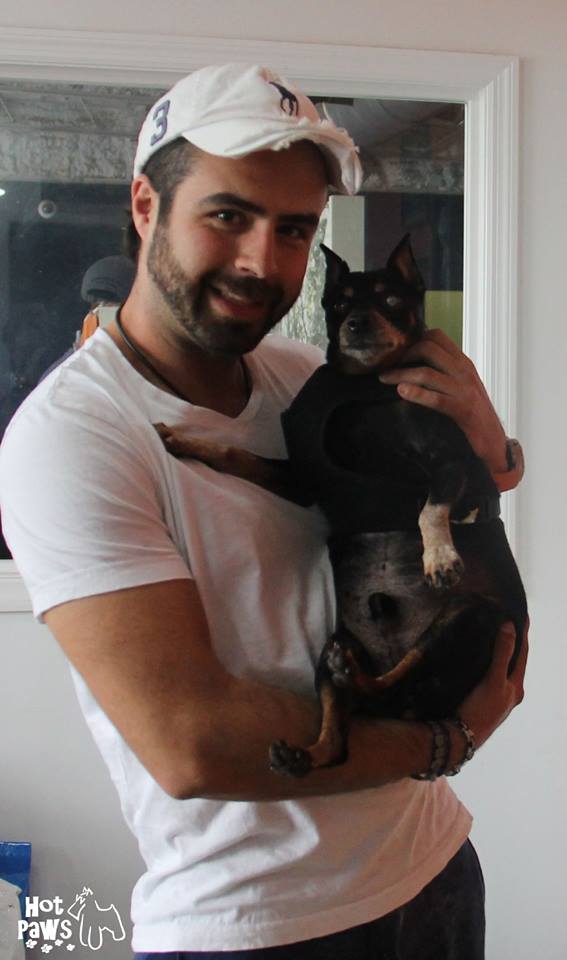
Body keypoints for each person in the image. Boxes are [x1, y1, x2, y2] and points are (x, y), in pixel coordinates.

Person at [0, 63, 527, 960]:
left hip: (430, 863)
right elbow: (192, 746)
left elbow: (444, 492)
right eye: (227, 215)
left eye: (293, 229)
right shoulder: (73, 437)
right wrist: (447, 740)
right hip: (260, 923)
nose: (261, 261)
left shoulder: (301, 376)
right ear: (145, 207)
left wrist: (491, 445)